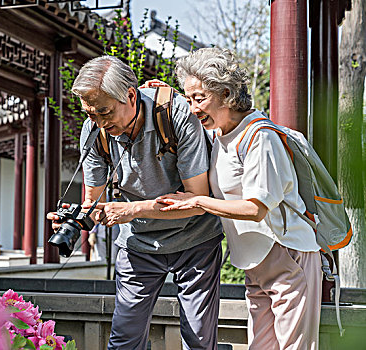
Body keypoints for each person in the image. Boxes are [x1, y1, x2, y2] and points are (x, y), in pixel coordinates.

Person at [47, 55, 224, 350]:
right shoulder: (94, 132)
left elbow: (197, 201)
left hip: (195, 240)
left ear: (130, 95)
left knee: (199, 341)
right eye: (91, 114)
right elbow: (93, 200)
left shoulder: (177, 114)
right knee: (124, 340)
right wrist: (76, 219)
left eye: (105, 112)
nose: (101, 122)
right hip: (138, 244)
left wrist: (131, 210)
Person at [155, 47, 322, 350]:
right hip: (255, 261)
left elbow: (255, 209)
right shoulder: (221, 133)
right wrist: (168, 95)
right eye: (188, 98)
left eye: (199, 98)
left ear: (227, 93)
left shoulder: (261, 138)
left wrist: (197, 201)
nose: (193, 108)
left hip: (288, 255)